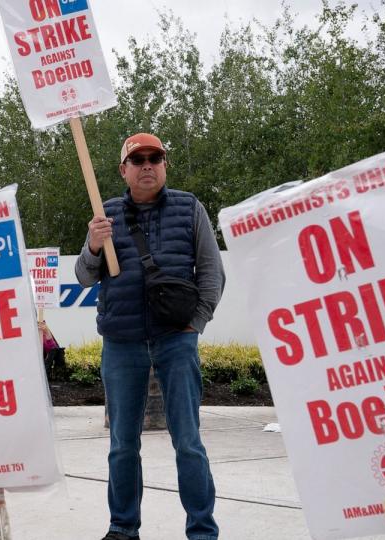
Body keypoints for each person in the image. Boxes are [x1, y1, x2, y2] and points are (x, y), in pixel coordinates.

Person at [75, 133, 225, 540]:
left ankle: (202, 531)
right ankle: (123, 528)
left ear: (165, 164)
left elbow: (212, 273)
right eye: (137, 159)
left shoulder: (190, 208)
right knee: (123, 444)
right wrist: (93, 244)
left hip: (176, 340)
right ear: (123, 169)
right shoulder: (103, 215)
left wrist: (196, 323)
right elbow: (85, 276)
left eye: (154, 157)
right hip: (121, 343)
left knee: (188, 440)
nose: (146, 165)